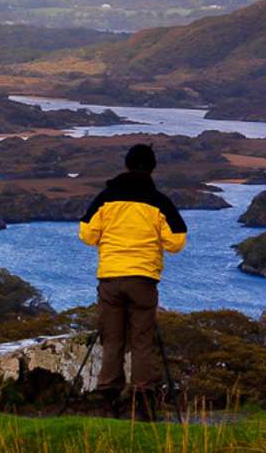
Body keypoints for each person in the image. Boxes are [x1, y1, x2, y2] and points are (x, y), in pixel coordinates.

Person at [77, 142, 186, 411]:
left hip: (111, 277)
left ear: (126, 165)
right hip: (143, 278)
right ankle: (141, 395)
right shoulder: (159, 202)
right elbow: (176, 241)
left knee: (112, 337)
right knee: (142, 339)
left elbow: (86, 234)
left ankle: (107, 393)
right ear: (152, 168)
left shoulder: (106, 198)